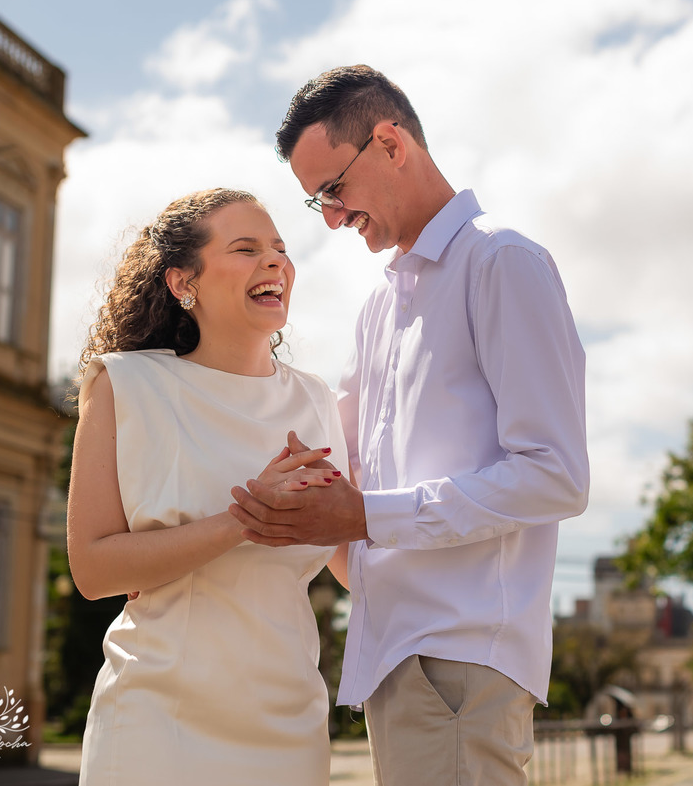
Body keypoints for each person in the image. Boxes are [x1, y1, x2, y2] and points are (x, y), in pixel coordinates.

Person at [230, 64, 589, 785]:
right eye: (316, 202)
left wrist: (365, 512)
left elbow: (556, 474)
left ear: (390, 143)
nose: (330, 218)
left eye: (333, 189)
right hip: (394, 658)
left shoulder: (502, 261)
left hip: (458, 662)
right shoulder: (379, 307)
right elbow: (339, 470)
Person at [67, 188, 348, 786]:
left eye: (279, 249)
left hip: (291, 726)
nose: (274, 262)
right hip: (156, 724)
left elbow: (354, 559)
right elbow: (92, 569)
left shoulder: (319, 402)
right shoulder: (125, 385)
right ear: (182, 282)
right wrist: (245, 517)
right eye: (245, 248)